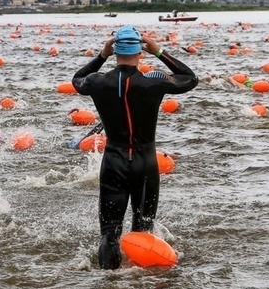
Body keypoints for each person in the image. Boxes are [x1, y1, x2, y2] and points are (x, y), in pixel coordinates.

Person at [72, 25, 199, 269]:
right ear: (141, 51)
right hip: (145, 163)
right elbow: (190, 78)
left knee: (109, 232)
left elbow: (77, 80)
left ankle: (108, 281)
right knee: (143, 228)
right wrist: (159, 51)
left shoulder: (98, 81)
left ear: (115, 49)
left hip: (113, 162)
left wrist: (101, 55)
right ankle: (140, 279)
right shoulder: (154, 82)